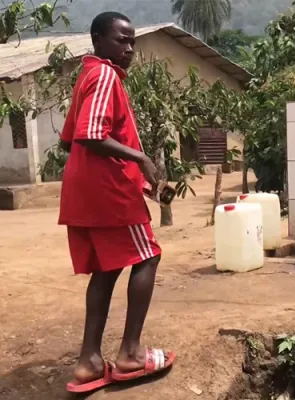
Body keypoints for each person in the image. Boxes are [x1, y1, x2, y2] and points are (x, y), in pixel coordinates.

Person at [59, 12, 175, 393]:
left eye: (132, 43)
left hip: (85, 190)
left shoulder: (87, 75)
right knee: (148, 256)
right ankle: (131, 354)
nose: (128, 50)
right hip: (106, 193)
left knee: (108, 269)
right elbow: (91, 134)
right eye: (120, 41)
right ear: (97, 39)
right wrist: (140, 159)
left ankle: (89, 363)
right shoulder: (106, 75)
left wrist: (136, 179)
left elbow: (69, 140)